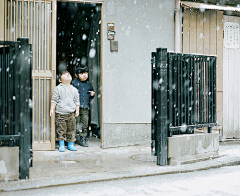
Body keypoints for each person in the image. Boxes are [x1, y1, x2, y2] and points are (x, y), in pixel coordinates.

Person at [50, 70, 80, 152]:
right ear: (60, 80)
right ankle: (61, 144)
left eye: (68, 74)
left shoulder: (74, 89)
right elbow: (54, 100)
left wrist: (77, 110)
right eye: (64, 74)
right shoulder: (58, 88)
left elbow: (77, 101)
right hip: (60, 113)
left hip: (71, 113)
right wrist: (52, 109)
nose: (67, 75)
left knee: (71, 129)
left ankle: (70, 144)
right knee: (61, 129)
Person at [73, 64, 95, 147]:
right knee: (74, 123)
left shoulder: (89, 85)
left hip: (85, 107)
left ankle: (83, 139)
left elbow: (89, 96)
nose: (85, 75)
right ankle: (72, 139)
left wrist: (92, 95)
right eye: (82, 73)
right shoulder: (74, 83)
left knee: (84, 124)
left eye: (86, 73)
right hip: (75, 107)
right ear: (76, 75)